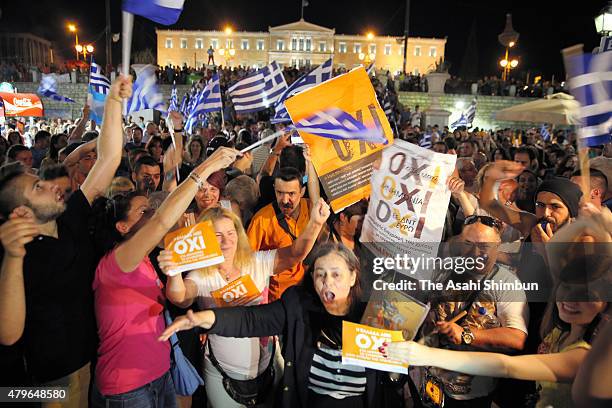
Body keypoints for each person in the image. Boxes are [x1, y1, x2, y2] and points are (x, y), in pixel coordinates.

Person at [0, 75, 132, 408]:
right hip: (52, 383)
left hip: (96, 361)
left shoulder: (70, 215)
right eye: (38, 188)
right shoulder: (15, 256)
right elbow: (9, 333)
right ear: (20, 211)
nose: (52, 186)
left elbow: (108, 159)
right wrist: (12, 258)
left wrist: (114, 103)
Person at [160, 242, 405, 408]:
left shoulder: (375, 313)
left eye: (336, 274)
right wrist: (203, 319)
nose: (326, 282)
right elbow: (251, 320)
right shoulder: (297, 306)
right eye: (320, 274)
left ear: (353, 276)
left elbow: (399, 362)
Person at [90, 142, 239, 407]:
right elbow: (163, 221)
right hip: (128, 385)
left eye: (151, 209)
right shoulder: (116, 262)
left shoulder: (146, 261)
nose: (153, 214)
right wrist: (207, 167)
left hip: (159, 373)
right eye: (144, 212)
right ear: (122, 227)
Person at [382, 252, 610, 408]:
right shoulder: (560, 332)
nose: (570, 299)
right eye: (567, 287)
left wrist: (425, 354)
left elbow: (506, 366)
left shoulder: (585, 356)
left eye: (588, 295)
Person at [417, 215, 529, 407]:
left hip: (471, 395)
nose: (475, 253)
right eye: (468, 244)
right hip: (431, 383)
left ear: (497, 246)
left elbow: (517, 338)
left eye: (484, 246)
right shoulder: (443, 270)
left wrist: (466, 334)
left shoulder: (507, 283)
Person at [247, 165, 320, 301]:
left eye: (291, 194)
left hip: (311, 291)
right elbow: (246, 261)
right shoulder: (261, 220)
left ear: (302, 191)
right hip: (280, 299)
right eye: (280, 193)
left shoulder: (311, 209)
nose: (285, 200)